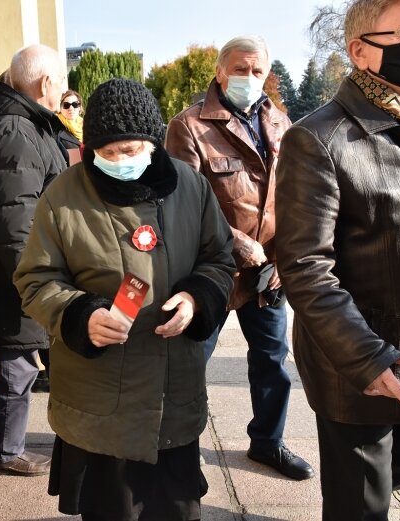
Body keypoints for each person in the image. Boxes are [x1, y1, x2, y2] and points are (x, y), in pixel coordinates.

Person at [14, 78, 235, 521]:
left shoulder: (190, 186)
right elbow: (36, 280)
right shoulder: (62, 195)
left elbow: (219, 259)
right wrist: (80, 315)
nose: (120, 161)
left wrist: (196, 299)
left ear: (153, 143)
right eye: (108, 152)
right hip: (100, 398)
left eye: (131, 150)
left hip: (174, 392)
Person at [275, 0, 400, 517]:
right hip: (364, 364)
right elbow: (304, 267)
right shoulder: (318, 139)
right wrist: (366, 358)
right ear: (361, 52)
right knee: (360, 504)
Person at [164, 35, 314, 481]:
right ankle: (177, 448)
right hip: (210, 269)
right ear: (220, 72)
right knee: (189, 365)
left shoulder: (281, 123)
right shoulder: (189, 126)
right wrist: (234, 242)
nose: (249, 78)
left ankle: (268, 443)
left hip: (268, 271)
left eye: (257, 70)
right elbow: (183, 201)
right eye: (240, 69)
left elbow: (294, 196)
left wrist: (283, 257)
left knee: (272, 360)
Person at [0, 44, 68, 477]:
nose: (64, 89)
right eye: (61, 80)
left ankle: (10, 447)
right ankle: (7, 451)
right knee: (18, 365)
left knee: (19, 362)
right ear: (45, 83)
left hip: (20, 272)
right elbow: (15, 222)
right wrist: (37, 281)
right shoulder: (15, 130)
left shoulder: (19, 123)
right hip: (19, 276)